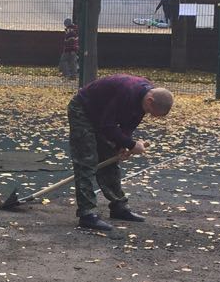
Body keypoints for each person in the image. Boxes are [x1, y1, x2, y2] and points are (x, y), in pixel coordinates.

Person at [68, 74, 173, 232]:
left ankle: (119, 207)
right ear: (150, 100)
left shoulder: (145, 96)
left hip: (102, 115)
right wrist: (131, 144)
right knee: (86, 161)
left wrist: (122, 145)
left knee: (110, 158)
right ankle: (86, 214)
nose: (148, 114)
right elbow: (107, 126)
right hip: (83, 110)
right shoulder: (127, 92)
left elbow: (130, 122)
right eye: (150, 111)